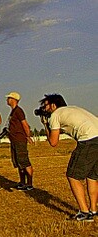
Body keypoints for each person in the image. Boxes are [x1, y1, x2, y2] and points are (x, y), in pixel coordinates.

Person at [39, 94, 98, 222]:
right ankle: (94, 210)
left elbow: (53, 142)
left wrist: (46, 125)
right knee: (92, 176)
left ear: (54, 105)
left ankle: (84, 213)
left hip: (89, 139)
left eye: (45, 105)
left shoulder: (55, 115)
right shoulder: (72, 109)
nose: (44, 108)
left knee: (73, 175)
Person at [5, 91, 34, 191]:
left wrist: (28, 136)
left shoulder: (18, 111)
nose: (7, 100)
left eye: (8, 98)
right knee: (18, 162)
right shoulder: (13, 111)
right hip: (14, 140)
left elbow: (25, 124)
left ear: (13, 100)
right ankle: (22, 182)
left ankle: (29, 183)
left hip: (19, 139)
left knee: (24, 161)